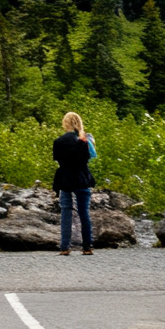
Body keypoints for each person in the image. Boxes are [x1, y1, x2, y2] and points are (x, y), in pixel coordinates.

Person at [52, 110, 96, 256]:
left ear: (65, 123)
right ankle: (87, 247)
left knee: (66, 212)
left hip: (65, 178)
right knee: (84, 213)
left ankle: (65, 247)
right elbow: (86, 159)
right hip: (82, 178)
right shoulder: (84, 141)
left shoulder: (58, 142)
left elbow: (58, 161)